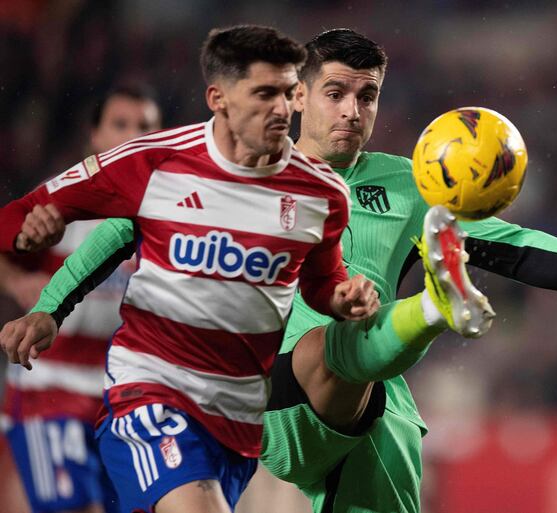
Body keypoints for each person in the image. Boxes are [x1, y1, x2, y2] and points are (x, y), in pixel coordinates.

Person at [4, 28, 557, 513]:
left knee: (371, 389)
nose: (352, 111)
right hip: (266, 388)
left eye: (367, 96)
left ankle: (435, 304)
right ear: (297, 95)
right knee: (323, 349)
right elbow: (116, 233)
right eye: (335, 92)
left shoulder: (411, 184)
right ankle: (432, 307)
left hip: (376, 405)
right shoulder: (233, 163)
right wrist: (52, 309)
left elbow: (516, 244)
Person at [0, 25, 384, 513]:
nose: (282, 109)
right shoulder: (154, 162)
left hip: (239, 419)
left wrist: (343, 297)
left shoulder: (323, 192)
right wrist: (42, 294)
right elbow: (30, 213)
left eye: (289, 93)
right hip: (150, 393)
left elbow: (320, 282)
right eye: (265, 94)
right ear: (218, 98)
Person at [0, 84, 161, 513]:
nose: (133, 136)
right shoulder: (63, 203)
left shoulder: (171, 214)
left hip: (126, 399)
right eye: (120, 125)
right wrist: (16, 282)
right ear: (95, 136)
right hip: (51, 390)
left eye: (144, 126)